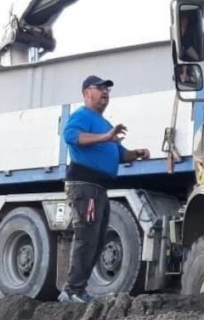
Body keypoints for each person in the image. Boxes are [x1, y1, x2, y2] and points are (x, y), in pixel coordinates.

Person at [58, 75, 150, 303]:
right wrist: (105, 136)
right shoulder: (82, 116)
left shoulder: (105, 124)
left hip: (99, 187)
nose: (105, 92)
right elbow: (70, 136)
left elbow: (120, 154)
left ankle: (78, 289)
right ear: (86, 93)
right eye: (99, 88)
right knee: (87, 237)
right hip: (85, 184)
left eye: (107, 89)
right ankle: (72, 290)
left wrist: (136, 153)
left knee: (98, 239)